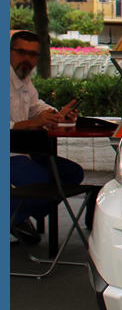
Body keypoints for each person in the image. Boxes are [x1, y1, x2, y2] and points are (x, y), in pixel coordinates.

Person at [10, 31, 83, 244]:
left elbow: (36, 108)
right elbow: (31, 120)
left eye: (33, 54)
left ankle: (16, 216)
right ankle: (13, 216)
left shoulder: (23, 79)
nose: (27, 58)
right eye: (22, 52)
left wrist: (57, 114)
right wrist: (32, 123)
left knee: (72, 174)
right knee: (46, 183)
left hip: (25, 151)